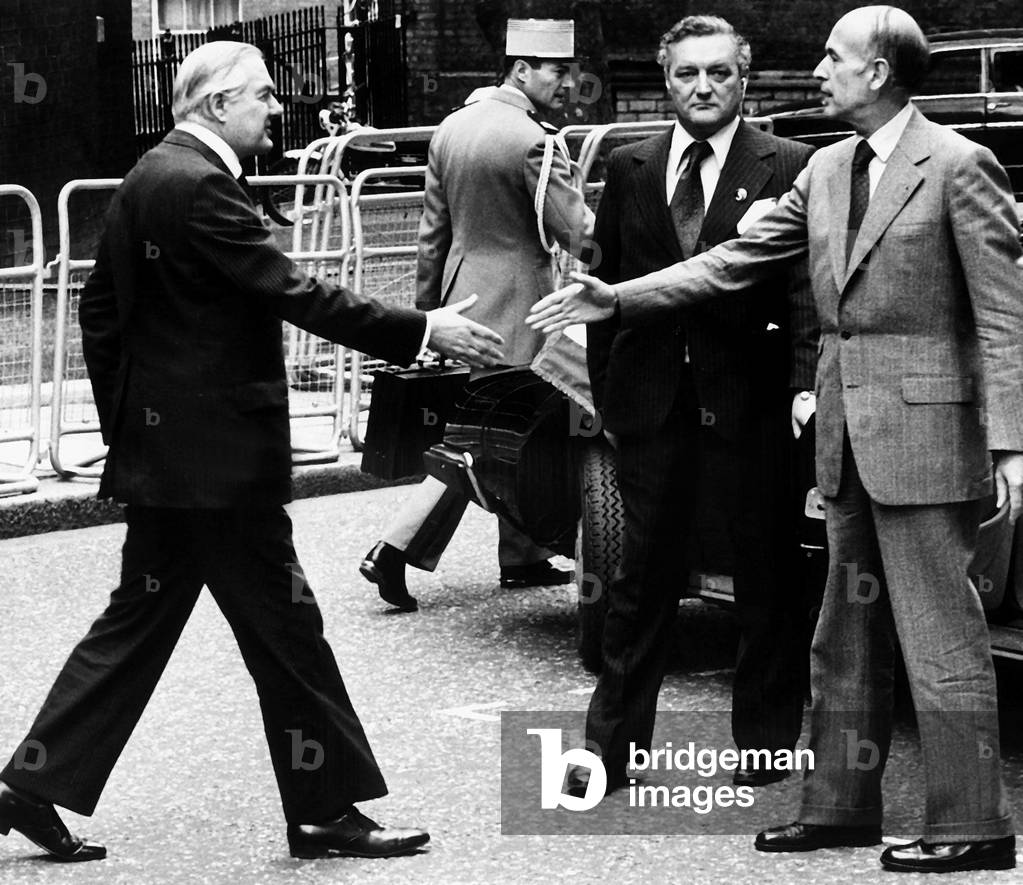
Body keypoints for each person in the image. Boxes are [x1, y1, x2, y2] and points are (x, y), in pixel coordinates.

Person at [529, 6, 1023, 874]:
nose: (817, 71)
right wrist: (619, 298)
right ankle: (837, 807)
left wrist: (1011, 444)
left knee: (940, 639)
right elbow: (732, 259)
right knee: (843, 634)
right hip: (845, 439)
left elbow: (1002, 314)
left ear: (876, 72)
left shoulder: (956, 164)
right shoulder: (826, 168)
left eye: (832, 58)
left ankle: (973, 821)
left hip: (926, 441)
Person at [0, 41, 505, 863]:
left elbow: (100, 311)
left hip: (179, 463)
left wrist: (137, 429)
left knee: (139, 624)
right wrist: (422, 329)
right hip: (220, 468)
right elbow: (294, 291)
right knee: (287, 633)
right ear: (215, 106)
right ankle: (323, 810)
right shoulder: (198, 184)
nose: (276, 107)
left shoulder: (152, 174)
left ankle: (31, 785)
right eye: (263, 95)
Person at [576, 14, 816, 795]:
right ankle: (612, 749)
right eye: (687, 73)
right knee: (639, 580)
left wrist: (802, 387)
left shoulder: (788, 163)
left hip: (752, 406)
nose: (702, 87)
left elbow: (803, 292)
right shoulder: (630, 165)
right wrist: (609, 396)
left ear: (743, 79)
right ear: (665, 79)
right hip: (651, 407)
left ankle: (765, 746)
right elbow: (606, 289)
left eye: (718, 72)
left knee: (764, 576)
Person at [359, 18, 595, 612]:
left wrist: (427, 317)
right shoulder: (536, 141)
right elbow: (581, 235)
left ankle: (522, 556)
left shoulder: (452, 128)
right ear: (521, 70)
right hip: (520, 304)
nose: (568, 83)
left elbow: (431, 233)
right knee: (487, 441)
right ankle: (393, 548)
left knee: (506, 435)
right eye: (557, 71)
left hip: (462, 302)